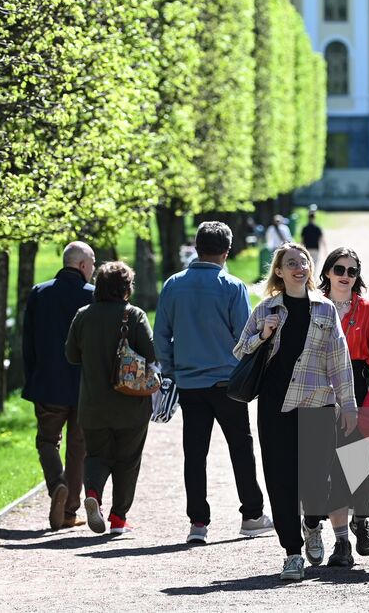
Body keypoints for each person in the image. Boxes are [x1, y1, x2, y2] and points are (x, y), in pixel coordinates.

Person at [233, 243, 356, 582]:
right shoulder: (266, 308)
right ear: (279, 271)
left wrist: (348, 404)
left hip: (317, 403)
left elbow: (339, 360)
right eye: (291, 263)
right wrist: (264, 333)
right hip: (275, 406)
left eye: (303, 262)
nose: (299, 267)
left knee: (318, 480)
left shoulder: (325, 308)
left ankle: (312, 522)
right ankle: (292, 553)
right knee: (280, 480)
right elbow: (240, 349)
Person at [154, 221, 272, 543]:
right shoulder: (233, 287)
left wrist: (171, 371)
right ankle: (251, 513)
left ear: (196, 245)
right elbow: (244, 336)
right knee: (241, 448)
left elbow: (161, 334)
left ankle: (198, 522)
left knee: (195, 453)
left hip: (190, 383)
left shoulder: (173, 285)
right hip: (227, 381)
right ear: (227, 250)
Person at [64, 262, 156, 536]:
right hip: (131, 403)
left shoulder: (83, 315)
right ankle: (118, 519)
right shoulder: (134, 315)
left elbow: (71, 356)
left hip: (93, 404)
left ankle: (93, 493)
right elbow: (150, 354)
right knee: (128, 461)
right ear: (127, 287)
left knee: (96, 455)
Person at [317, 246, 369, 560]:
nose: (345, 276)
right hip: (320, 389)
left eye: (352, 271)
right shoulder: (313, 307)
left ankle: (362, 518)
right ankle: (341, 542)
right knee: (331, 470)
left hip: (358, 388)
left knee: (359, 467)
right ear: (328, 272)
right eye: (339, 269)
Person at [21, 241, 95, 530]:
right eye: (92, 264)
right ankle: (68, 512)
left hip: (48, 382)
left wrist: (32, 377)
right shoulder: (94, 296)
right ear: (81, 265)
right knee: (79, 447)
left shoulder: (40, 293)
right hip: (83, 385)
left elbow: (27, 342)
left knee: (47, 441)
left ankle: (57, 485)